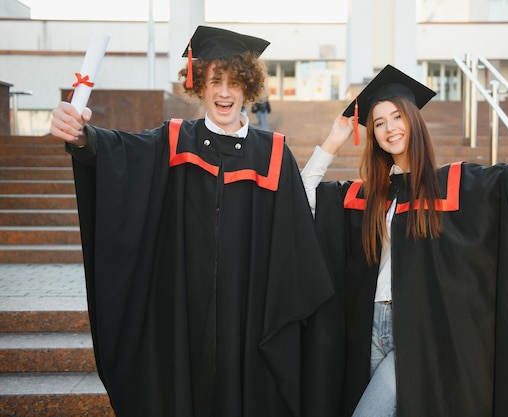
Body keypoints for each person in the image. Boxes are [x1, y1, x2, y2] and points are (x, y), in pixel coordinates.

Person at [50, 26, 342, 417]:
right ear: (198, 84)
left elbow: (294, 241)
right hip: (180, 319)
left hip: (249, 323)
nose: (224, 92)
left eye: (235, 82)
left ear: (248, 88)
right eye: (214, 80)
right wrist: (81, 135)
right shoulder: (172, 142)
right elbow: (118, 153)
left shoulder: (272, 155)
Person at [301, 64, 508, 416]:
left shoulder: (453, 185)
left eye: (396, 117)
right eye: (378, 122)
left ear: (413, 121)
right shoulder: (367, 195)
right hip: (369, 326)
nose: (389, 128)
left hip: (421, 326)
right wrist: (333, 140)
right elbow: (302, 199)